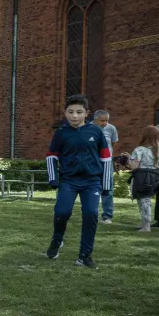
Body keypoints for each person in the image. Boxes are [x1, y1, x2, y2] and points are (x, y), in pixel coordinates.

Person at [45, 94, 112, 269]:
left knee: (91, 214)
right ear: (65, 113)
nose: (75, 116)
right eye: (71, 112)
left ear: (86, 113)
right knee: (62, 212)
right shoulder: (61, 133)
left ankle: (84, 256)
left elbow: (105, 158)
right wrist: (53, 178)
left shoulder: (96, 132)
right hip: (69, 180)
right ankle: (57, 240)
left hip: (92, 181)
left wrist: (106, 185)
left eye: (79, 112)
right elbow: (51, 155)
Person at [122, 126, 159, 232]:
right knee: (147, 199)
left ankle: (146, 226)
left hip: (143, 176)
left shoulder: (139, 149)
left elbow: (134, 166)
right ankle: (145, 223)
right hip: (156, 176)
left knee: (143, 200)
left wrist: (128, 158)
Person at [93, 110, 119, 224]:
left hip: (107, 162)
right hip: (92, 162)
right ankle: (91, 213)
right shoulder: (88, 128)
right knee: (91, 187)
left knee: (107, 189)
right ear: (95, 119)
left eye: (106, 120)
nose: (105, 123)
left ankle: (107, 216)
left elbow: (113, 144)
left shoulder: (111, 128)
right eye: (102, 120)